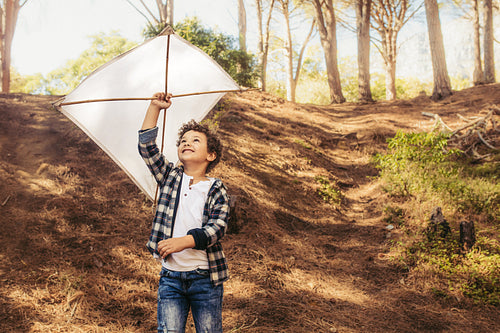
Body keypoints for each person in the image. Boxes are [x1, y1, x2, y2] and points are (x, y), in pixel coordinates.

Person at [138, 92, 230, 332]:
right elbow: (147, 148)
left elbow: (217, 228)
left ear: (211, 155)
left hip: (205, 279)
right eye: (183, 141)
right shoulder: (169, 177)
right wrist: (155, 108)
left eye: (196, 140)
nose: (187, 143)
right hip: (171, 278)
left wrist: (184, 242)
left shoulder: (215, 187)